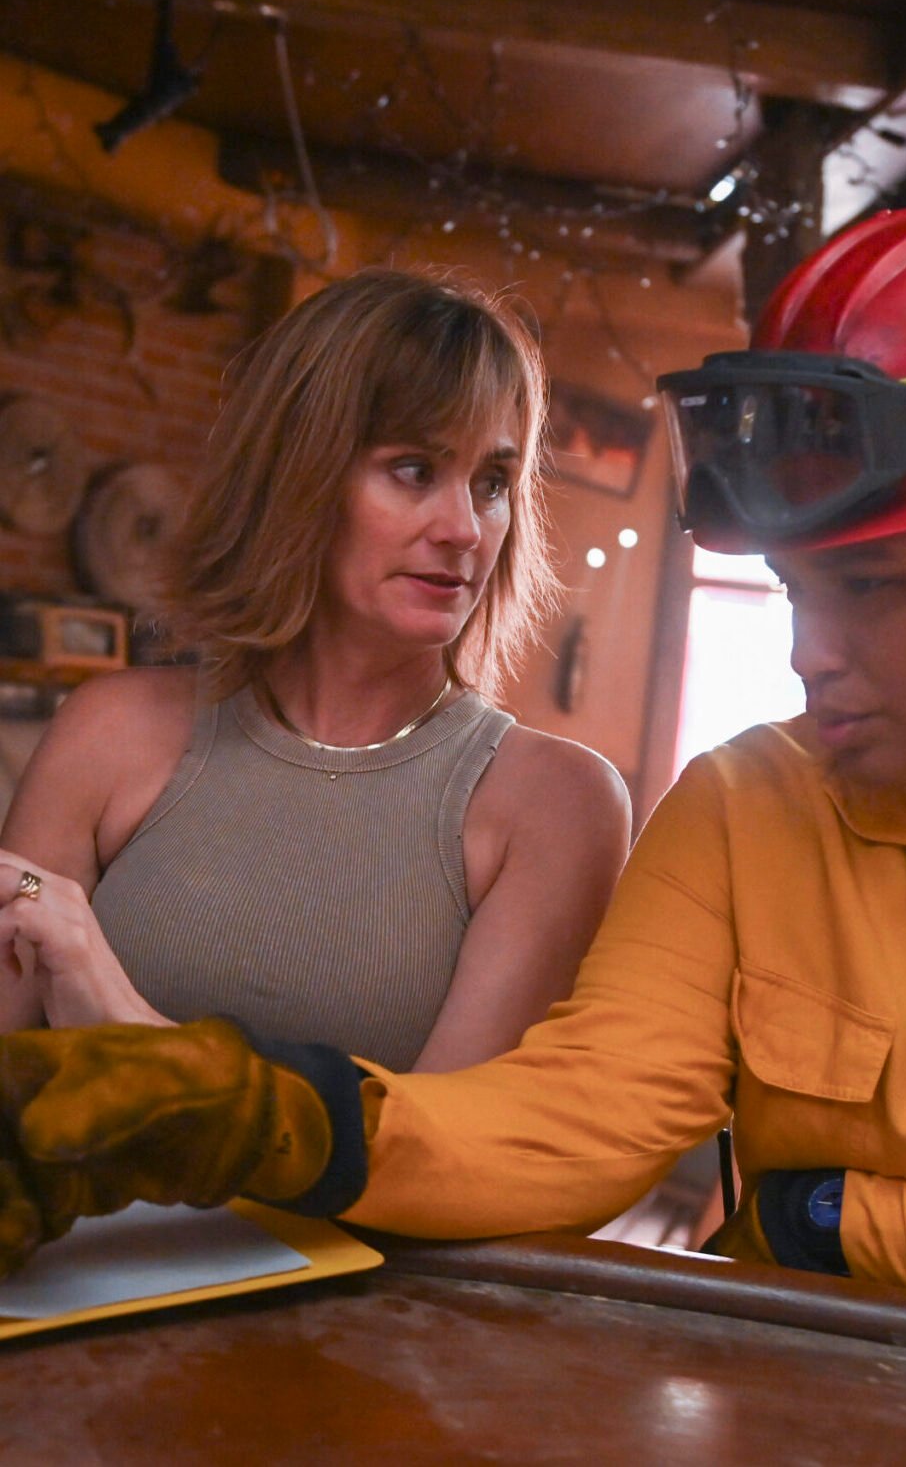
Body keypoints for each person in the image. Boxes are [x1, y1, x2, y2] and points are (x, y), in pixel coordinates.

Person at [1, 211, 906, 1361]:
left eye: (869, 591)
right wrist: (250, 1107)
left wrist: (839, 1222)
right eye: (794, 593)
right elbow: (571, 1120)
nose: (807, 654)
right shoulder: (743, 806)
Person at [0, 268, 630, 1072]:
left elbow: (439, 1169)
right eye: (414, 470)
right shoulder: (112, 729)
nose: (465, 528)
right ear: (297, 473)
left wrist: (116, 1011)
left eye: (493, 482)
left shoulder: (556, 804)